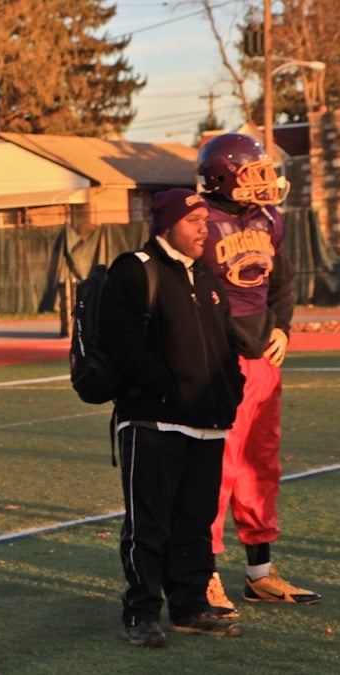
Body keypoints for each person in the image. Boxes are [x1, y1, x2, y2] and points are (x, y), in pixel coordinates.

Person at [100, 189, 246, 647]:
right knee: (150, 524)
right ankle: (142, 613)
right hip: (155, 422)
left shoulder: (206, 275)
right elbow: (121, 343)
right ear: (167, 225)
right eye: (194, 220)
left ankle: (189, 605)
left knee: (195, 520)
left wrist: (230, 390)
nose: (205, 227)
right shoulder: (135, 269)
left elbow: (225, 343)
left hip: (207, 421)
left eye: (207, 219)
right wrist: (170, 388)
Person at [196, 133, 321, 616]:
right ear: (224, 175)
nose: (265, 182)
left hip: (263, 361)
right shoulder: (198, 220)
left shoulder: (270, 218)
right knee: (216, 471)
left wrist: (284, 329)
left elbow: (283, 280)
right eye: (254, 172)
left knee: (260, 465)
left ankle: (259, 575)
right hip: (218, 364)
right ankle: (202, 575)